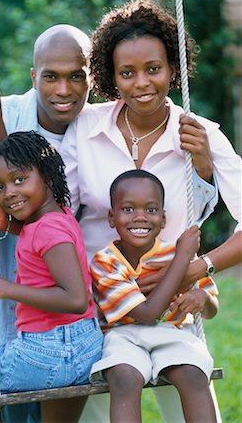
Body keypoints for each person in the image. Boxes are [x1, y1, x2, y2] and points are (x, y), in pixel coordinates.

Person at [0, 21, 216, 423]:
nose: (64, 90)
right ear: (34, 76)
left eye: (77, 77)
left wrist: (202, 172)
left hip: (88, 330)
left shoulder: (102, 128)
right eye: (50, 77)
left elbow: (154, 203)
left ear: (93, 78)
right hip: (1, 338)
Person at [59, 0, 242, 421]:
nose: (142, 82)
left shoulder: (201, 136)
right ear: (111, 77)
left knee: (190, 392)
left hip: (172, 311)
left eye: (153, 69)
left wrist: (197, 267)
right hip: (98, 312)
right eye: (127, 72)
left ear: (173, 70)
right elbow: (57, 212)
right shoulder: (85, 127)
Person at [0, 131, 103, 423]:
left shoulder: (46, 229)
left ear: (49, 177)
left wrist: (7, 288)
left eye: (20, 180)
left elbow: (76, 298)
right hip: (85, 347)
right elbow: (38, 239)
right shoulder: (60, 217)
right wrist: (5, 225)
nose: (10, 193)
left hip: (45, 349)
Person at [90, 169, 218, 423]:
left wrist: (203, 299)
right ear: (111, 217)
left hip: (174, 333)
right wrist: (183, 257)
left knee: (193, 373)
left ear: (163, 218)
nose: (140, 218)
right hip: (122, 336)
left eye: (150, 210)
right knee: (124, 376)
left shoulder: (173, 252)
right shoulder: (104, 262)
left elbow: (212, 306)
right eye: (128, 209)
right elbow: (147, 315)